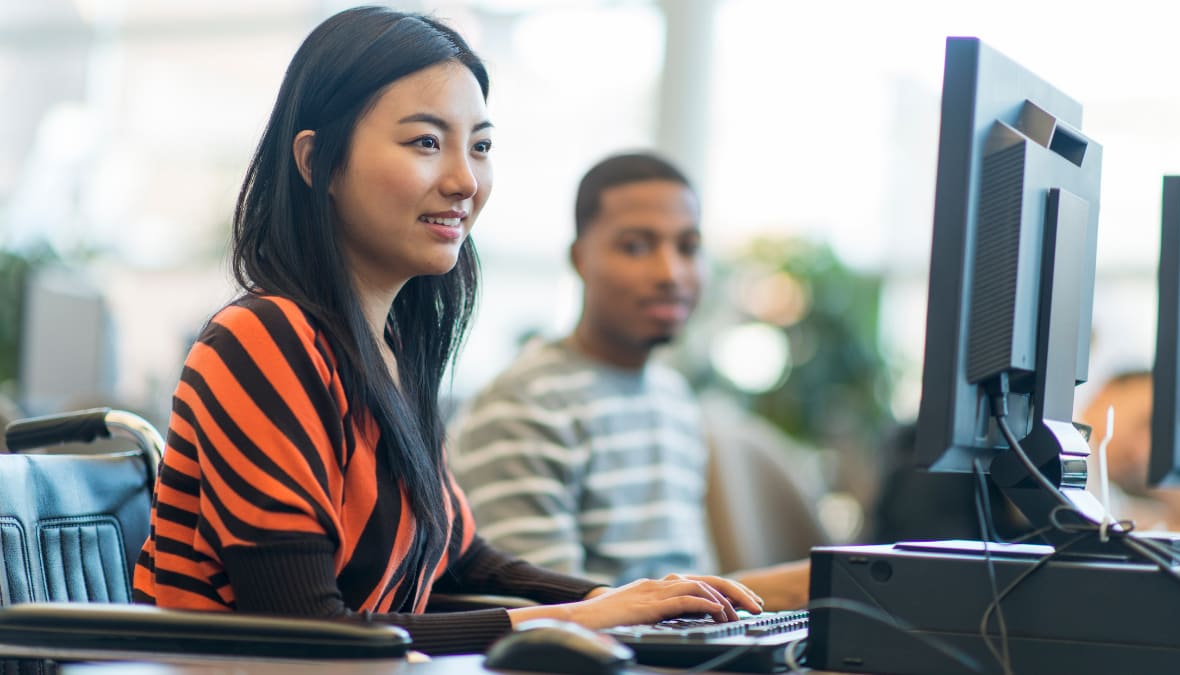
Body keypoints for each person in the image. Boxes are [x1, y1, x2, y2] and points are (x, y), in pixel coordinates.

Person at [131, 7, 762, 657]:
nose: (465, 180)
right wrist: (576, 617)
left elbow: (464, 559)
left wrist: (629, 600)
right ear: (318, 161)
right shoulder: (261, 342)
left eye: (480, 145)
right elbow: (307, 633)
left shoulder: (391, 352)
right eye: (426, 142)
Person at [448, 151, 811, 610]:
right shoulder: (523, 406)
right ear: (580, 259)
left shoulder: (672, 397)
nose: (670, 273)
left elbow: (688, 591)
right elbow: (556, 621)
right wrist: (793, 590)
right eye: (636, 246)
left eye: (688, 247)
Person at [1078, 370, 1180, 533]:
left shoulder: (1109, 499)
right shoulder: (1067, 437)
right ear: (1109, 391)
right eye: (1147, 422)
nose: (1142, 454)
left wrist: (1167, 474)